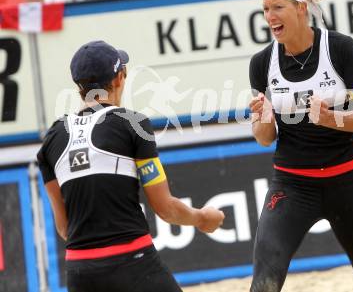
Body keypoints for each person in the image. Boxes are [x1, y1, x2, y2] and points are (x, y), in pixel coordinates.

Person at [37, 40, 225, 292]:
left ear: (78, 86)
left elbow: (64, 228)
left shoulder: (51, 138)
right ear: (118, 78)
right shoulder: (133, 124)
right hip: (133, 263)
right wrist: (203, 218)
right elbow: (165, 208)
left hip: (81, 273)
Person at [248, 0, 353, 292]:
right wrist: (265, 117)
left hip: (349, 184)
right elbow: (263, 138)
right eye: (265, 9)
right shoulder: (262, 63)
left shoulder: (340, 48)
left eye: (277, 7)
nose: (270, 16)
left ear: (301, 8)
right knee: (264, 283)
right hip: (293, 187)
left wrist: (333, 119)